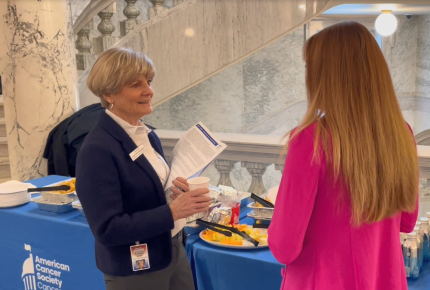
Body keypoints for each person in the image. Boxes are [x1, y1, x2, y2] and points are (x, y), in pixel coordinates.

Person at [268, 22, 419, 290]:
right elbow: (407, 222)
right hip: (385, 280)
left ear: (326, 76)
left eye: (310, 69)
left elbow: (284, 247)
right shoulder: (401, 134)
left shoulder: (310, 141)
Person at [76, 47, 212, 290]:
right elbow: (108, 229)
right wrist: (172, 212)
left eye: (148, 81)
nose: (149, 91)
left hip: (170, 250)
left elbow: (147, 194)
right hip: (133, 268)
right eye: (136, 84)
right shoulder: (97, 149)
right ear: (109, 93)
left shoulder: (146, 135)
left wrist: (175, 192)